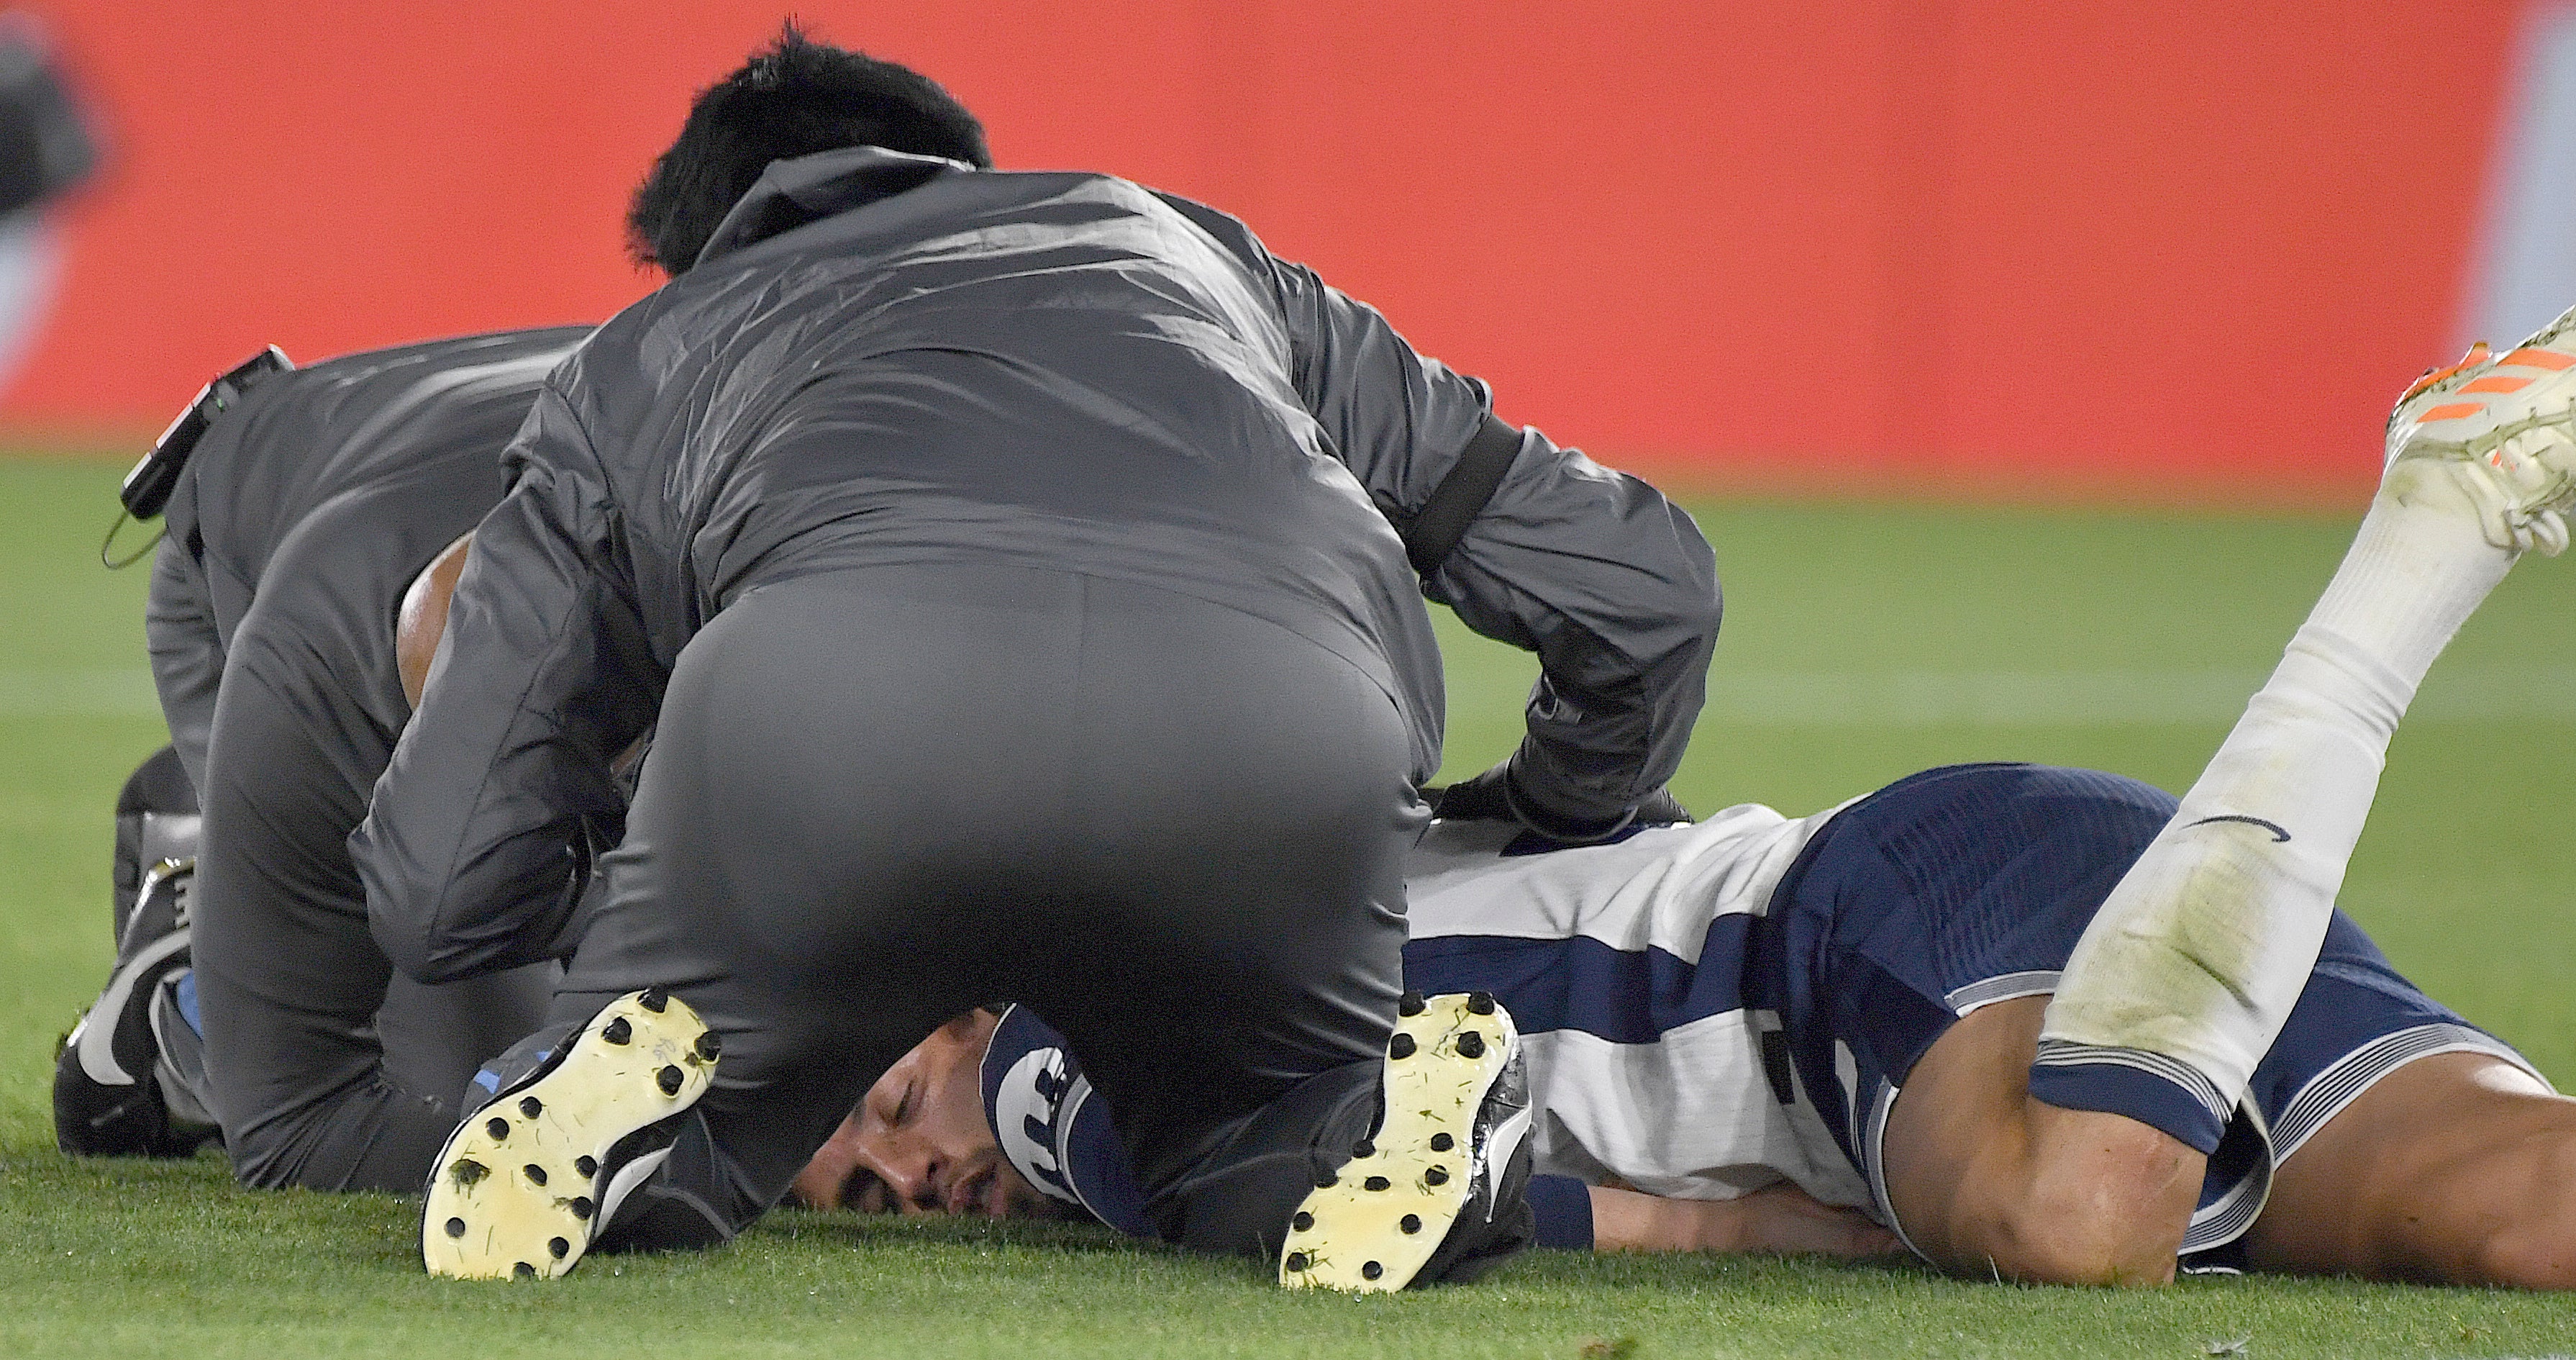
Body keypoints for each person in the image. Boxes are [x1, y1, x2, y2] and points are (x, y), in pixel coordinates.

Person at [806, 268, 2576, 1303]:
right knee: (2557, 1210)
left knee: (2077, 1217)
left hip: (1851, 955)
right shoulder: (1213, 905)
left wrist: (1735, 1233)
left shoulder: (1075, 1038)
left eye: (885, 1099)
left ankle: (2428, 527)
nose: (922, 1161)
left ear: (955, 985)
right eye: (870, 1193)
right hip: (2021, 895)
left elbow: (1338, 1189)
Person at [355, 28, 1719, 1289]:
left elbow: (441, 881)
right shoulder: (1195, 257)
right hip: (1277, 732)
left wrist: (626, 883)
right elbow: (1642, 590)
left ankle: (623, 1110)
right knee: (1241, 1139)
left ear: (702, 255)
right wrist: (1556, 806)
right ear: (957, 172)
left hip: (821, 734)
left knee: (700, 1103)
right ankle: (1363, 1118)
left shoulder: (635, 362)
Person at [56, 329, 590, 1188]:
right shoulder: (377, 650)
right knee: (482, 1113)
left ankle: (239, 852)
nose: (895, 1184)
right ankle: (187, 996)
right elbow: (296, 1133)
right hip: (297, 593)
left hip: (383, 472)